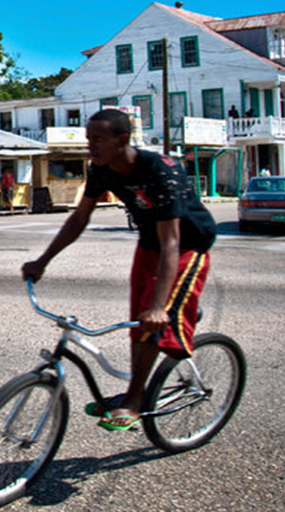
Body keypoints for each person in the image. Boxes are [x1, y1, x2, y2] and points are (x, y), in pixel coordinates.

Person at [21, 109, 216, 432]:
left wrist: (158, 305)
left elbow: (172, 243)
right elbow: (79, 218)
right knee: (139, 323)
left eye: (97, 139)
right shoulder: (100, 169)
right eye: (88, 139)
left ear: (121, 140)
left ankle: (134, 401)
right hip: (149, 244)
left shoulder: (160, 171)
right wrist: (43, 261)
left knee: (153, 317)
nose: (90, 146)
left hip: (187, 245)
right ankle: (171, 321)